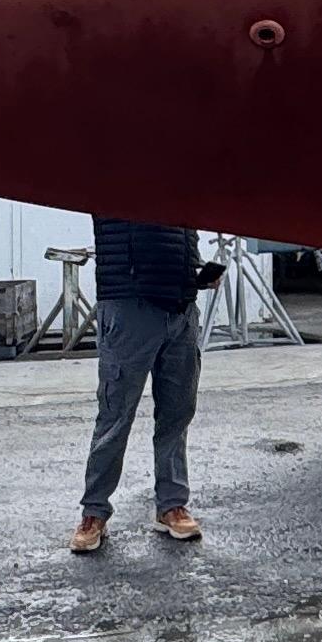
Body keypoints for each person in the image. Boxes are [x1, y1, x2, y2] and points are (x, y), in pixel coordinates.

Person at [70, 218, 217, 554]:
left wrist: (198, 272)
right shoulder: (114, 172)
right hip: (129, 305)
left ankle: (171, 505)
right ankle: (94, 512)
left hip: (180, 306)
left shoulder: (183, 184)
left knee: (177, 414)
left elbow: (183, 240)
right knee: (115, 415)